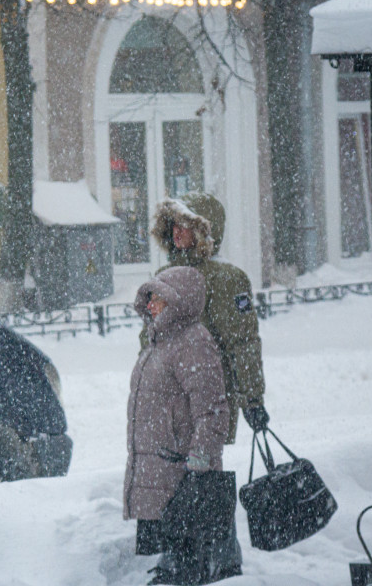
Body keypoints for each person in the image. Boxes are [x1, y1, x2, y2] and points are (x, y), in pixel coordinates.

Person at [124, 266, 231, 585]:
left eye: (159, 297)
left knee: (183, 561)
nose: (151, 304)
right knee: (173, 557)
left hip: (181, 474)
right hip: (158, 470)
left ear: (180, 302)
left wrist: (200, 462)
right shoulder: (159, 340)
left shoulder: (193, 342)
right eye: (150, 296)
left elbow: (212, 410)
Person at [145, 193, 270, 442]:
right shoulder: (163, 277)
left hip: (208, 397)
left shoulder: (225, 278)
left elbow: (243, 342)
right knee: (168, 474)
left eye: (185, 225)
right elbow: (148, 339)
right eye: (173, 225)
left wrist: (252, 399)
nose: (177, 232)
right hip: (168, 397)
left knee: (205, 470)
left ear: (203, 231)